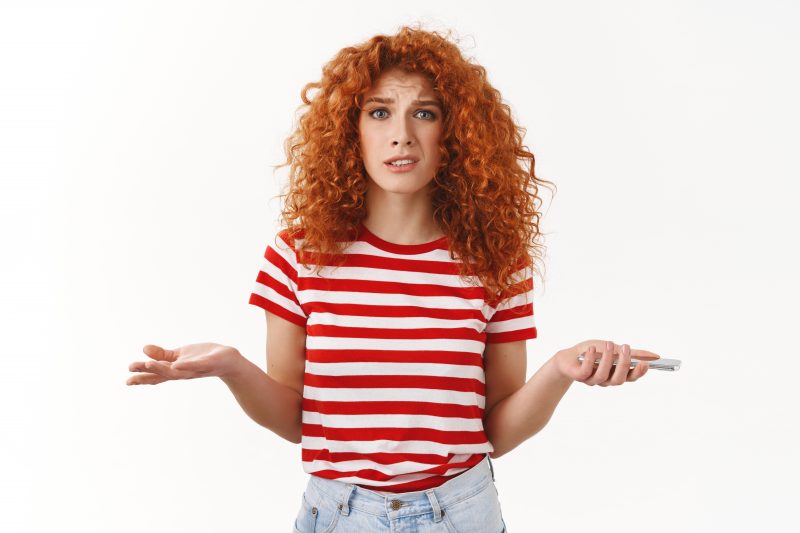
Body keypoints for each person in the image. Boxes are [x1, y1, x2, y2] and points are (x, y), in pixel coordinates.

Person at [127, 24, 661, 533]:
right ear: (349, 130)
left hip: (462, 511)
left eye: (423, 113)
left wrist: (561, 372)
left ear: (454, 134)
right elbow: (297, 421)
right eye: (379, 112)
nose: (401, 136)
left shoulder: (495, 261)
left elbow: (495, 432)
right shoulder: (299, 254)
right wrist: (231, 367)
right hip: (338, 513)